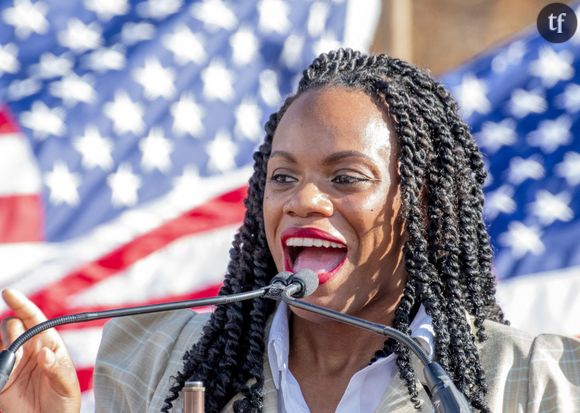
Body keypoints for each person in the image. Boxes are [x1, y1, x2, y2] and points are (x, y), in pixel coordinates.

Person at [0, 49, 578, 413]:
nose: (303, 200)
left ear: (422, 208)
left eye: (346, 177)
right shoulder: (155, 362)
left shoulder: (536, 385)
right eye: (282, 176)